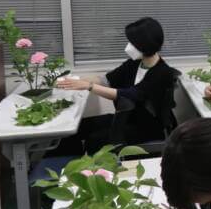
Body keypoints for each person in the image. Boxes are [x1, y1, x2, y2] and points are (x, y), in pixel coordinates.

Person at [56, 17, 178, 152]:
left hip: (146, 127)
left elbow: (131, 95)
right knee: (76, 129)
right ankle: (62, 168)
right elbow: (107, 79)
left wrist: (88, 86)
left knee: (94, 140)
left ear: (144, 44)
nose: (128, 46)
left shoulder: (162, 73)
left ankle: (91, 171)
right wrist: (76, 81)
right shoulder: (135, 63)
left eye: (132, 42)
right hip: (125, 119)